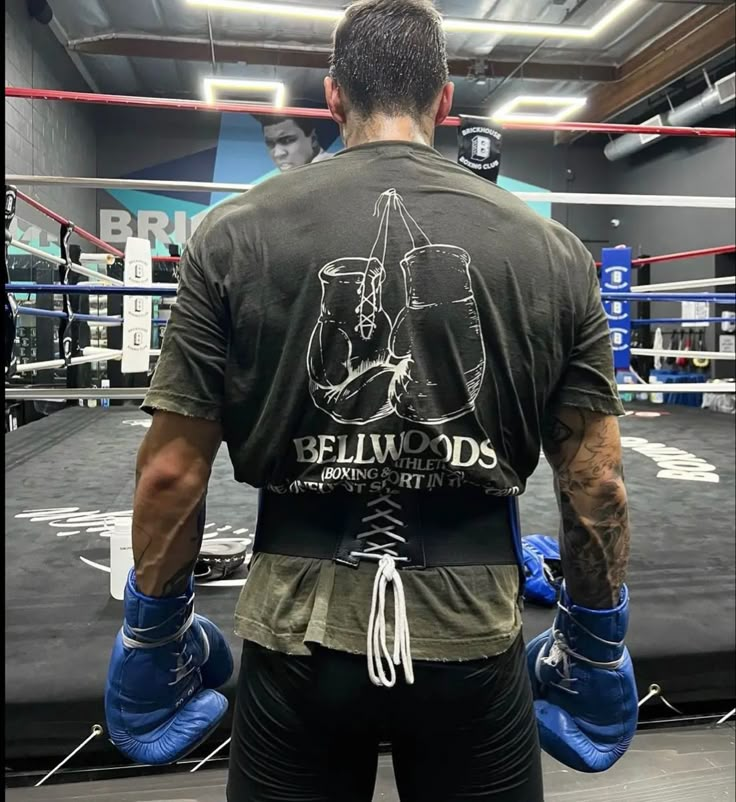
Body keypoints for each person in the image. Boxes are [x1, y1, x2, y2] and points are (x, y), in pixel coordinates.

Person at [104, 1, 637, 800]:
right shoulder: (552, 250)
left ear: (330, 97)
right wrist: (594, 639)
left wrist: (155, 630)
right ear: (446, 102)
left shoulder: (231, 233)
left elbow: (173, 474)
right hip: (472, 630)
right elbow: (594, 480)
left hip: (297, 633)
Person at [256, 114, 334, 171]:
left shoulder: (333, 170)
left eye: (287, 141)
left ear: (313, 139)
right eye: (270, 143)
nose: (278, 154)